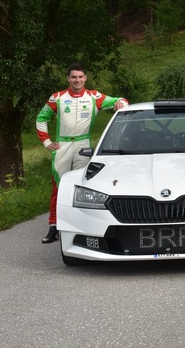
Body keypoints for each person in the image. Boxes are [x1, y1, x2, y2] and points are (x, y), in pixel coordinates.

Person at [36, 63, 128, 243]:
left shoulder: (94, 97)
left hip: (83, 144)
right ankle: (54, 226)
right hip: (62, 145)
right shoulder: (58, 98)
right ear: (68, 79)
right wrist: (47, 142)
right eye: (73, 77)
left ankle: (80, 225)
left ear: (85, 78)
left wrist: (121, 104)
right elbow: (41, 118)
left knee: (82, 186)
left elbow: (119, 100)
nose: (77, 80)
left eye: (80, 77)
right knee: (59, 186)